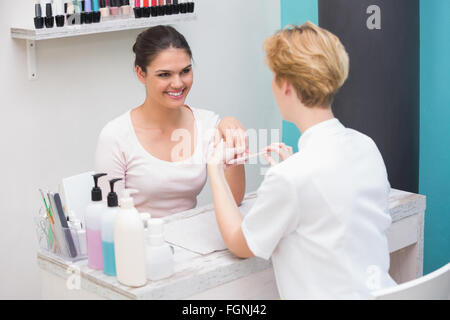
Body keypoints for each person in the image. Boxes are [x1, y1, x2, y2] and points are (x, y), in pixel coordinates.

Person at [207, 22, 397, 299]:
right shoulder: (365, 145)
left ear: (285, 85)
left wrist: (214, 167)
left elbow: (239, 243)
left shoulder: (291, 177)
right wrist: (292, 171)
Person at [95, 25, 247, 218]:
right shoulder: (116, 136)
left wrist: (233, 139)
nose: (178, 83)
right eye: (164, 74)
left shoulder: (207, 124)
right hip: (136, 240)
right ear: (141, 73)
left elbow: (234, 200)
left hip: (189, 239)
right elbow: (108, 219)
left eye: (185, 71)